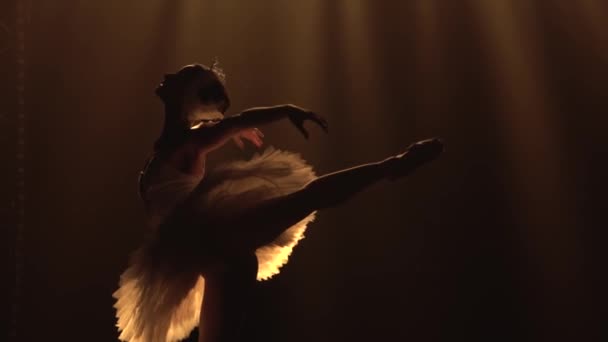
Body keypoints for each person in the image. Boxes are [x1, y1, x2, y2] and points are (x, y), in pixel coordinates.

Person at [113, 63, 443, 342]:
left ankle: (393, 165)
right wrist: (227, 129)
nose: (167, 76)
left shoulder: (192, 140)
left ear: (185, 93)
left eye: (177, 76)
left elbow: (240, 119)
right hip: (205, 254)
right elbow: (230, 125)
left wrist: (286, 110)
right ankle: (392, 167)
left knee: (308, 196)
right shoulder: (178, 140)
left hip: (221, 236)